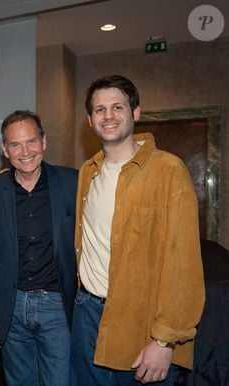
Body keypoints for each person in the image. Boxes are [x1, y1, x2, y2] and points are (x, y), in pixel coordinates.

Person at [71, 74, 205, 385]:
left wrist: (165, 341)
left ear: (136, 112)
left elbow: (183, 264)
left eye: (117, 107)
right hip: (87, 314)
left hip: (140, 322)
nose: (108, 116)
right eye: (100, 109)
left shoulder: (168, 170)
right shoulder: (87, 173)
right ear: (89, 120)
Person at [0, 110, 78, 386]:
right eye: (15, 144)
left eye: (31, 141)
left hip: (58, 306)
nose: (25, 151)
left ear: (44, 142)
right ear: (4, 150)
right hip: (11, 308)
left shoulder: (72, 183)